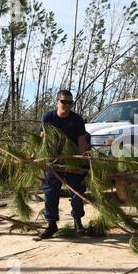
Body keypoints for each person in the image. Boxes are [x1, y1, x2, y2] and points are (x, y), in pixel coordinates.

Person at [38, 90, 89, 239]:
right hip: (53, 161)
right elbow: (43, 139)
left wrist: (83, 162)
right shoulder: (48, 117)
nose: (67, 105)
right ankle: (51, 225)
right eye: (64, 102)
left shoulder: (77, 120)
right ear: (57, 102)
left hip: (72, 160)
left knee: (77, 191)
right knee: (50, 192)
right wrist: (41, 158)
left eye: (70, 102)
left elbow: (81, 142)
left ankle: (77, 221)